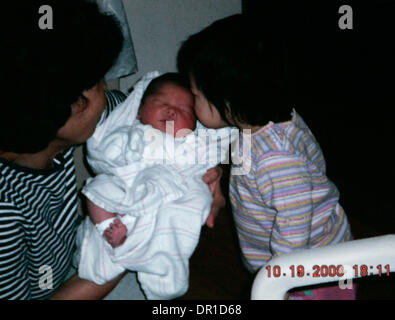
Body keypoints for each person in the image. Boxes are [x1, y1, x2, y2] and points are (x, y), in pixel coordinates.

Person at [0, 1, 223, 300]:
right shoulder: (7, 209)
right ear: (71, 106)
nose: (108, 90)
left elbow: (157, 116)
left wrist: (202, 168)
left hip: (81, 260)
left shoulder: (58, 128)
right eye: (99, 83)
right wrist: (136, 242)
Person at [177, 14, 356, 300]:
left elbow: (294, 226)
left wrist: (278, 282)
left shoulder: (275, 157)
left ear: (228, 99)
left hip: (310, 270)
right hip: (299, 259)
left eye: (196, 94)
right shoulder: (263, 122)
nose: (191, 99)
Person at [77, 71, 235, 299]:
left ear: (193, 124)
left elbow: (219, 147)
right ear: (139, 111)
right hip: (128, 190)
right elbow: (104, 154)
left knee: (197, 199)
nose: (172, 110)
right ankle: (107, 228)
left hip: (169, 196)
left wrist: (212, 168)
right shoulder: (130, 132)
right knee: (98, 189)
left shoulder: (190, 141)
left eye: (184, 110)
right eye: (161, 102)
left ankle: (163, 269)